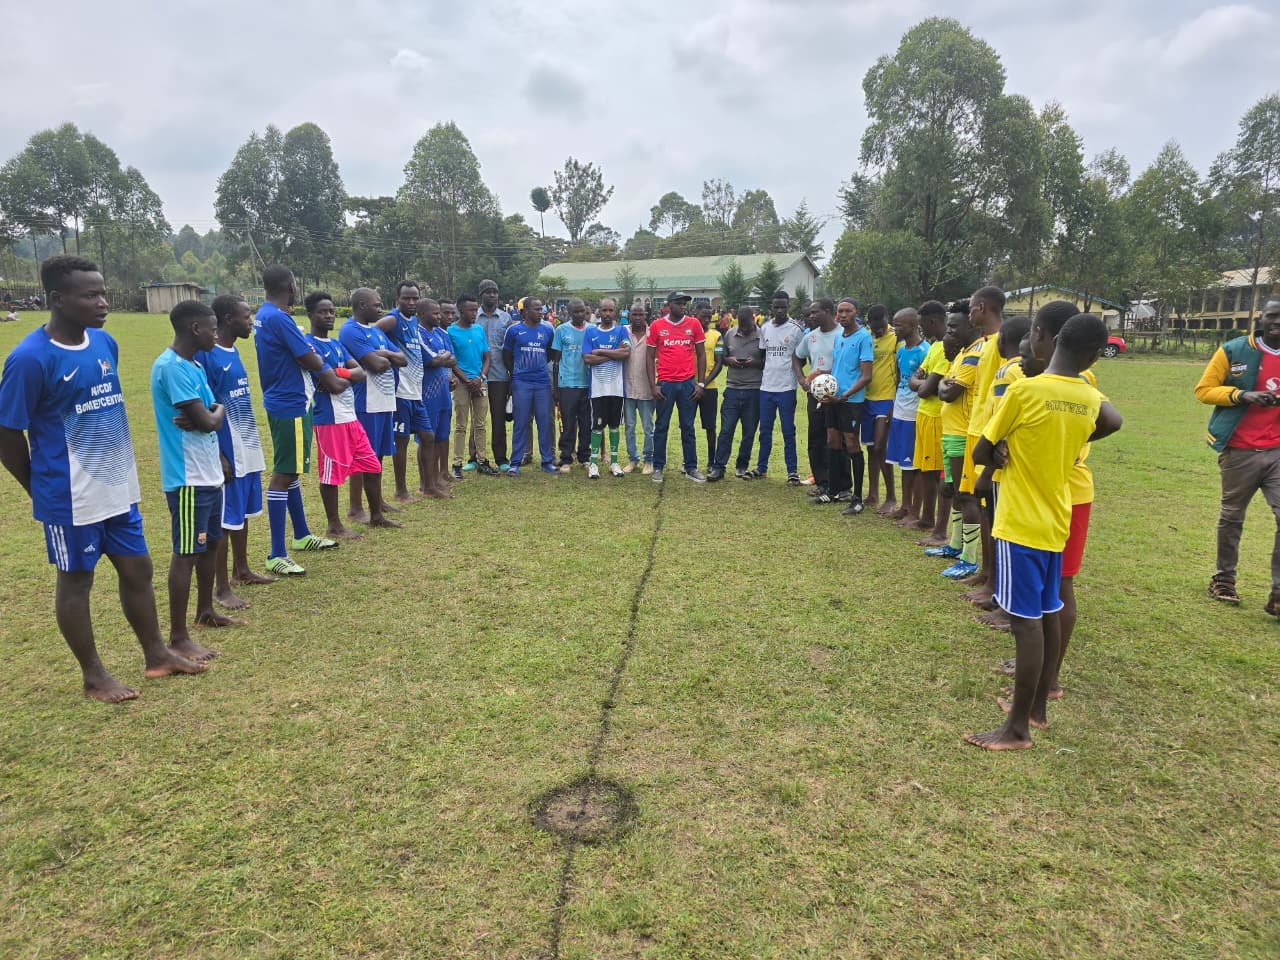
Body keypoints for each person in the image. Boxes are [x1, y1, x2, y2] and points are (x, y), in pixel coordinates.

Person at [0, 255, 207, 701]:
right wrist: (40, 486)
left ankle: (157, 655)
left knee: (139, 569)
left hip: (118, 489)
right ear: (57, 300)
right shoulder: (30, 359)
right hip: (69, 496)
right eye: (90, 294)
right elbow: (7, 432)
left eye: (103, 292)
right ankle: (94, 675)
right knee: (76, 581)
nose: (102, 302)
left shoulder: (105, 343)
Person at [964, 313, 1121, 751]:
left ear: (1039, 337)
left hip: (1019, 521)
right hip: (1057, 518)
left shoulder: (1024, 389)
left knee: (1024, 623)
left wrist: (1000, 451)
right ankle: (1037, 708)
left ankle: (1016, 729)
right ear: (1093, 356)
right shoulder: (1088, 397)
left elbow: (981, 451)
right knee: (1049, 609)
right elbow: (1110, 422)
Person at [151, 299, 240, 666]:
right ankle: (178, 637)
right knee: (186, 552)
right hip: (187, 477)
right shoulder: (170, 368)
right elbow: (208, 420)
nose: (216, 334)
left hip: (208, 471)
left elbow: (211, 411)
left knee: (210, 543)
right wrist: (213, 415)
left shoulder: (193, 366)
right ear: (195, 329)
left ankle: (206, 611)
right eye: (212, 328)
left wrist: (214, 424)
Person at [1195, 293, 1280, 617]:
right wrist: (1243, 395)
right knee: (1232, 518)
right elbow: (1204, 390)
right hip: (1240, 450)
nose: (1277, 323)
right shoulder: (1234, 350)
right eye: (1272, 316)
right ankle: (1224, 579)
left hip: (1277, 451)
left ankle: (1278, 593)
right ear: (1261, 317)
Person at [253, 264, 340, 575]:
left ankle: (301, 534)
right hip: (290, 403)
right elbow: (308, 356)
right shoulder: (279, 318)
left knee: (290, 471)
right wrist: (330, 374)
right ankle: (276, 552)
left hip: (287, 400)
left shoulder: (264, 315)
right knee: (284, 473)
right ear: (290, 285)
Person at [199, 294, 274, 611]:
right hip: (227, 449)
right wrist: (218, 454)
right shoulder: (207, 356)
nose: (251, 320)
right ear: (228, 319)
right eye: (246, 315)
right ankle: (221, 588)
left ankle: (241, 569)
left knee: (241, 513)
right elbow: (204, 406)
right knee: (223, 521)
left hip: (247, 445)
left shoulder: (234, 350)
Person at [305, 292, 382, 537]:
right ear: (310, 315)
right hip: (329, 418)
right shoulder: (309, 345)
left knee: (372, 465)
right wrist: (339, 378)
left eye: (331, 311)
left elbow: (360, 372)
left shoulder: (336, 344)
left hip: (350, 416)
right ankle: (334, 525)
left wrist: (336, 373)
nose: (328, 315)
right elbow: (334, 385)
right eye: (322, 311)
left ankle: (377, 514)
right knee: (331, 474)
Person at [337, 288, 405, 528]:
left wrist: (385, 352)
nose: (380, 308)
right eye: (377, 305)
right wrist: (386, 358)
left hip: (385, 401)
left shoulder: (375, 332)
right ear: (362, 305)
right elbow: (376, 366)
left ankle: (376, 501)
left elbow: (402, 359)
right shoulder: (350, 330)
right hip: (366, 402)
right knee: (363, 456)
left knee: (379, 453)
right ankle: (356, 507)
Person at [960, 286, 1008, 601]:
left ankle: (996, 583)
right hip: (975, 429)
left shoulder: (1004, 342)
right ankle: (987, 573)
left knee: (991, 506)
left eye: (971, 309)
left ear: (981, 307)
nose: (968, 315)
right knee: (980, 501)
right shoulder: (984, 343)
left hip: (990, 432)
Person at [935, 304, 984, 578]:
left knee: (966, 495)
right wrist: (946, 383)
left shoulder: (975, 354)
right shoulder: (963, 353)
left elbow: (948, 392)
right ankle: (955, 545)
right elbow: (946, 383)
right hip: (950, 431)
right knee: (951, 489)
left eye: (954, 326)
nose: (950, 331)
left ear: (972, 325)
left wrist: (946, 384)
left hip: (964, 433)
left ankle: (969, 557)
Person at [376, 281, 431, 501]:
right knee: (401, 442)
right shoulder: (392, 319)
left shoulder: (415, 320)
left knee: (428, 436)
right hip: (400, 393)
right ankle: (400, 490)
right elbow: (370, 335)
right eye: (406, 298)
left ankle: (427, 486)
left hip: (416, 393)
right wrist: (388, 354)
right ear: (397, 299)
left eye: (415, 298)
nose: (411, 302)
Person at [647, 290, 708, 483]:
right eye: (679, 303)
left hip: (687, 383)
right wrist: (653, 385)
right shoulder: (657, 326)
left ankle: (691, 467)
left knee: (688, 427)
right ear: (669, 304)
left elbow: (701, 355)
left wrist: (700, 383)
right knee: (661, 426)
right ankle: (658, 467)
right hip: (665, 384)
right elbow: (649, 357)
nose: (683, 306)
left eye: (685, 304)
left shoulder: (694, 324)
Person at [824, 298, 874, 514]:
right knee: (832, 441)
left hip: (850, 402)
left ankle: (857, 498)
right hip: (833, 399)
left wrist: (843, 396)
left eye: (847, 311)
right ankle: (834, 490)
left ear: (856, 312)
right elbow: (837, 368)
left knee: (852, 444)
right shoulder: (838, 337)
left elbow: (866, 376)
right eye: (840, 311)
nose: (843, 315)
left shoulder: (863, 337)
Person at [794, 299, 845, 502]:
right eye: (810, 313)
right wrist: (801, 379)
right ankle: (822, 482)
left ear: (828, 312)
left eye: (815, 312)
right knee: (815, 438)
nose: (811, 316)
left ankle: (840, 484)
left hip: (838, 397)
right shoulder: (811, 337)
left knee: (837, 439)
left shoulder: (843, 334)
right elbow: (797, 357)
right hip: (815, 395)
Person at [708, 306, 765, 481]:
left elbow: (766, 361)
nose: (743, 330)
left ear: (753, 322)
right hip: (732, 389)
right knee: (726, 430)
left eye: (746, 327)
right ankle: (719, 467)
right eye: (741, 326)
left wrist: (754, 362)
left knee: (749, 432)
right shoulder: (730, 334)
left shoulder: (762, 335)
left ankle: (742, 465)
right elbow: (722, 357)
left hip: (754, 390)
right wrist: (729, 360)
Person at [911, 301, 951, 546]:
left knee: (940, 474)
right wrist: (921, 383)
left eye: (922, 324)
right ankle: (926, 518)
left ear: (933, 322)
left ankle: (940, 530)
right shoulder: (935, 346)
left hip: (939, 417)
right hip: (924, 415)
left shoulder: (949, 347)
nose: (922, 329)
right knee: (925, 469)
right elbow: (918, 379)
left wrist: (922, 384)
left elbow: (925, 388)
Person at [884, 308, 928, 526]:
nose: (895, 329)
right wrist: (893, 408)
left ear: (913, 325)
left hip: (915, 413)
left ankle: (916, 511)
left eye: (899, 325)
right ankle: (905, 506)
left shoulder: (925, 351)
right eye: (893, 324)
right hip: (900, 410)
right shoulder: (901, 350)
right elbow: (900, 381)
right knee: (904, 463)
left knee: (915, 465)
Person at [504, 297, 558, 475]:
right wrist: (517, 373)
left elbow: (550, 353)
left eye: (541, 308)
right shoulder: (514, 331)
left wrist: (537, 366)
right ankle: (515, 463)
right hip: (521, 382)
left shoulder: (547, 330)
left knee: (543, 421)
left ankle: (547, 461)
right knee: (521, 422)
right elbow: (507, 355)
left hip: (542, 381)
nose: (540, 312)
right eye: (536, 309)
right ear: (525, 311)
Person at [756, 291, 803, 483]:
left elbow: (801, 357)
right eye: (776, 307)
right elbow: (762, 355)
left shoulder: (796, 329)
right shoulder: (765, 328)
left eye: (783, 307)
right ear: (771, 308)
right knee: (764, 430)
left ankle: (792, 471)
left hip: (786, 387)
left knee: (787, 431)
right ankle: (761, 467)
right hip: (766, 387)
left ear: (788, 307)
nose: (780, 310)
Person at [582, 298, 631, 478]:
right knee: (597, 426)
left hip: (617, 389)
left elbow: (626, 353)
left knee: (614, 426)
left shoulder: (621, 331)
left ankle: (615, 462)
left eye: (611, 310)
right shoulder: (591, 332)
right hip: (598, 390)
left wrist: (600, 352)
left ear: (615, 311)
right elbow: (587, 359)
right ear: (599, 312)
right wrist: (613, 354)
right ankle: (593, 464)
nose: (607, 314)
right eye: (604, 310)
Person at [447, 293, 493, 478]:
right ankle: (457, 463)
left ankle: (482, 460)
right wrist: (466, 380)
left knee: (480, 424)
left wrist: (480, 377)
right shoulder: (451, 331)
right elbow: (451, 360)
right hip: (461, 384)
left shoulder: (479, 330)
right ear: (461, 311)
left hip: (480, 382)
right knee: (461, 425)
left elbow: (487, 357)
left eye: (476, 309)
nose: (475, 313)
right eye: (471, 310)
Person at [418, 297, 457, 497]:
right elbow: (431, 360)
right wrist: (441, 359)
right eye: (435, 313)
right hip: (427, 393)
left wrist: (446, 369)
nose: (440, 316)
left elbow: (452, 358)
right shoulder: (419, 334)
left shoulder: (442, 333)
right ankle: (426, 481)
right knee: (427, 438)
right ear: (423, 314)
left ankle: (440, 475)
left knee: (442, 435)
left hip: (444, 392)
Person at [863, 305, 900, 511]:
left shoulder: (896, 338)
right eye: (874, 327)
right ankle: (873, 494)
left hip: (886, 398)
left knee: (880, 446)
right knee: (870, 447)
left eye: (881, 326)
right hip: (867, 398)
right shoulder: (867, 337)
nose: (878, 331)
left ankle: (892, 497)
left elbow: (900, 369)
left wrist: (896, 401)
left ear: (888, 319)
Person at [477, 279, 516, 471]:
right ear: (481, 295)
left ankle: (501, 458)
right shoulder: (473, 316)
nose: (492, 295)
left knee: (499, 418)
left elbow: (510, 348)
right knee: (478, 418)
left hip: (500, 375)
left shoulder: (506, 318)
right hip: (477, 375)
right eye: (488, 292)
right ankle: (474, 457)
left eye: (495, 292)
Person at [551, 298, 592, 472]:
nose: (579, 314)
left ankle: (584, 457)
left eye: (582, 311)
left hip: (588, 383)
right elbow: (555, 361)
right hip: (567, 383)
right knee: (568, 423)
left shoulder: (592, 330)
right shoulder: (561, 330)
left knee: (586, 423)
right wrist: (555, 387)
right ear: (568, 312)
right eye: (575, 312)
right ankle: (566, 458)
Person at [622, 304, 657, 474]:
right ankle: (633, 459)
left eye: (640, 314)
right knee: (629, 426)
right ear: (629, 316)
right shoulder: (623, 332)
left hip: (647, 389)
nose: (637, 318)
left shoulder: (653, 333)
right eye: (634, 314)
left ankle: (648, 460)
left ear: (645, 315)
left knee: (648, 427)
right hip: (627, 388)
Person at [695, 303, 724, 463]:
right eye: (703, 316)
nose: (706, 319)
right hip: (689, 387)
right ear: (695, 314)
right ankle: (688, 461)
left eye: (709, 317)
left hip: (709, 388)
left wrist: (703, 383)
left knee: (710, 427)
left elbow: (719, 362)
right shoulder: (688, 335)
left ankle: (712, 461)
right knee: (687, 426)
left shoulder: (717, 336)